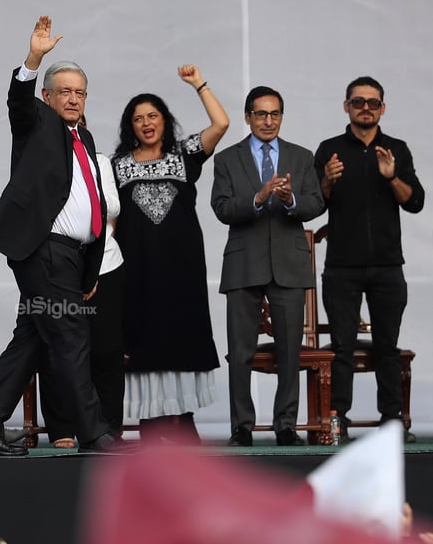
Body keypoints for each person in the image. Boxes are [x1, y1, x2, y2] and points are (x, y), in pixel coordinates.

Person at [0, 16, 131, 456]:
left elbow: (92, 205)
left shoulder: (86, 136)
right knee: (71, 337)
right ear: (48, 97)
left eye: (80, 93)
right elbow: (19, 98)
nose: (73, 99)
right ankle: (94, 433)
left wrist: (90, 267)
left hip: (73, 258)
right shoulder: (36, 121)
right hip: (44, 252)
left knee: (33, 337)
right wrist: (34, 58)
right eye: (65, 92)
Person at [111, 65, 229, 444]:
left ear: (165, 120)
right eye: (139, 118)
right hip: (137, 271)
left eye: (153, 116)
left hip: (181, 269)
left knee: (181, 338)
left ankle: (183, 418)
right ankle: (152, 423)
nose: (147, 123)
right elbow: (111, 221)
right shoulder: (117, 165)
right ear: (131, 126)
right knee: (143, 341)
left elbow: (222, 124)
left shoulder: (185, 155)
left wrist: (199, 85)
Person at [313, 76, 424, 443]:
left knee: (387, 347)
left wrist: (392, 178)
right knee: (342, 348)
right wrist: (327, 181)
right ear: (346, 106)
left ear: (382, 108)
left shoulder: (396, 149)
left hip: (388, 266)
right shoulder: (329, 149)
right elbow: (314, 204)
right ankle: (337, 421)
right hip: (342, 267)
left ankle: (391, 421)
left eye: (372, 102)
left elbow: (415, 201)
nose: (365, 107)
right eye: (358, 101)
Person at [211, 86, 324, 447]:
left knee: (290, 352)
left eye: (274, 114)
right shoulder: (227, 158)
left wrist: (290, 200)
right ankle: (241, 427)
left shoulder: (302, 157)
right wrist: (257, 199)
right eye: (260, 114)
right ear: (247, 117)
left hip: (289, 265)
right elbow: (222, 208)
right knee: (240, 352)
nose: (268, 120)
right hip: (244, 263)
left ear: (281, 117)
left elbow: (316, 203)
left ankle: (286, 426)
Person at [38, 113, 125, 448]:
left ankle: (108, 427)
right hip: (60, 267)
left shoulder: (99, 160)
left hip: (105, 265)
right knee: (59, 347)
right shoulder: (42, 160)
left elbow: (112, 206)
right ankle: (61, 427)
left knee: (106, 352)